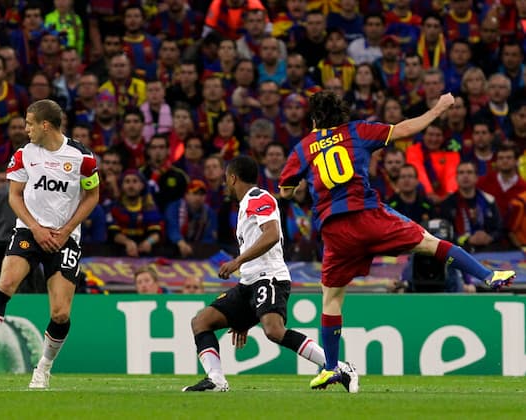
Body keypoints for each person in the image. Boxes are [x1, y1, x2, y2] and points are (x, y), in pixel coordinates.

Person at [278, 91, 515, 391]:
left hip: (335, 231)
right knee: (430, 242)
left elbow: (285, 190)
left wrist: (303, 181)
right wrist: (439, 106)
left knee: (332, 298)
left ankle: (330, 367)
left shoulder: (304, 147)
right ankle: (487, 275)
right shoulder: (357, 130)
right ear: (341, 114)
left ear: (314, 118)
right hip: (367, 216)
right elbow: (404, 129)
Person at [0, 100, 100, 391]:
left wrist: (65, 231)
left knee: (60, 313)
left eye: (29, 123)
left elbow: (93, 196)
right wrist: (35, 228)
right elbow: (15, 196)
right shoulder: (23, 155)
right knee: (5, 284)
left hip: (65, 238)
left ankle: (43, 367)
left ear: (45, 125)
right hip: (29, 231)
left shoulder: (82, 157)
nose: (26, 129)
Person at [183, 156, 358, 393]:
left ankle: (339, 367)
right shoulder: (246, 204)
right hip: (249, 283)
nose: (226, 184)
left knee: (274, 331)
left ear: (233, 178)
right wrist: (242, 318)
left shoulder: (258, 198)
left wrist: (237, 260)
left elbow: (272, 234)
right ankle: (216, 380)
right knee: (201, 321)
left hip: (269, 276)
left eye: (226, 179)